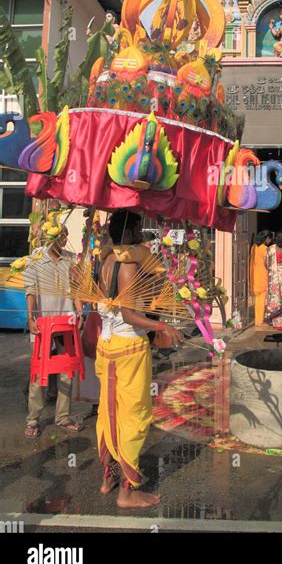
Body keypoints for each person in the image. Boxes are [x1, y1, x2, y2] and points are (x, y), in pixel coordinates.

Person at [96, 210, 184, 508]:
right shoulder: (128, 263)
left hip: (106, 347)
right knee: (135, 417)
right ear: (132, 230)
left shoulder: (104, 259)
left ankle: (108, 478)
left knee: (109, 413)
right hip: (129, 348)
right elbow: (129, 313)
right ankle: (127, 490)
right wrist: (163, 326)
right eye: (138, 227)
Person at [24, 225, 85, 438]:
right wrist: (30, 317)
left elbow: (77, 288)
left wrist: (80, 312)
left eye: (65, 234)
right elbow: (30, 290)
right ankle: (33, 419)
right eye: (58, 235)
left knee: (67, 370)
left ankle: (63, 416)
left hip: (66, 321)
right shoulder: (36, 258)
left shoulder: (71, 259)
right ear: (49, 236)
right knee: (38, 372)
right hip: (42, 323)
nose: (62, 238)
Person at [265, 231, 282, 331]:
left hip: (274, 278)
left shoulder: (271, 249)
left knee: (276, 300)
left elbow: (266, 264)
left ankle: (276, 323)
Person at [250, 230, 272, 326]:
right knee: (262, 298)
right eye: (270, 239)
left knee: (257, 298)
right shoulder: (265, 249)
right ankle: (260, 320)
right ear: (266, 239)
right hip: (263, 274)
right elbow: (268, 264)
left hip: (254, 274)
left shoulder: (253, 247)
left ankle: (258, 319)